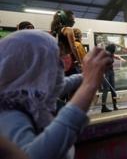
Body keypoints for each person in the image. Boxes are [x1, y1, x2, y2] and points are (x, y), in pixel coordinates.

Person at [0, 30, 112, 159]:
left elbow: (61, 84)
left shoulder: (31, 97)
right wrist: (89, 85)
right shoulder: (9, 112)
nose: (60, 64)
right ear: (34, 66)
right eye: (53, 59)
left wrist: (88, 74)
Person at [50, 10, 80, 75]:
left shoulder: (53, 31)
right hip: (70, 63)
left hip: (57, 63)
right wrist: (80, 62)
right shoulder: (68, 29)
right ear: (65, 19)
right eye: (72, 19)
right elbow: (73, 47)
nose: (74, 21)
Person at [101, 44, 125, 112]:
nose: (115, 50)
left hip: (111, 72)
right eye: (114, 49)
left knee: (113, 88)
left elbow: (115, 56)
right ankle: (103, 107)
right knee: (106, 89)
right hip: (105, 72)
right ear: (111, 49)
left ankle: (115, 105)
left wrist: (120, 58)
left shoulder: (111, 54)